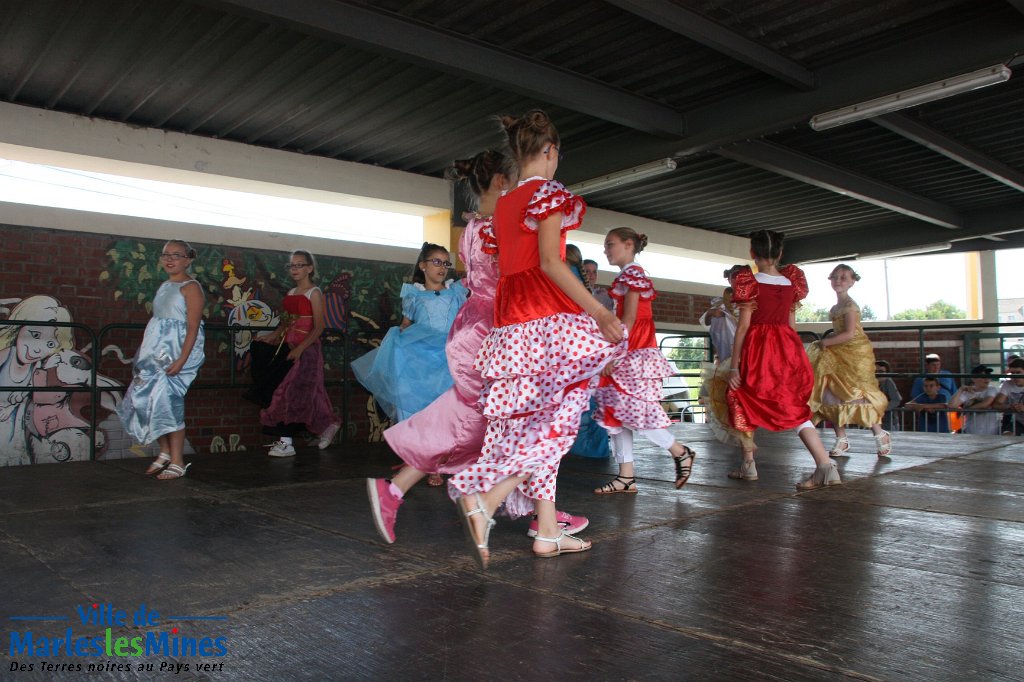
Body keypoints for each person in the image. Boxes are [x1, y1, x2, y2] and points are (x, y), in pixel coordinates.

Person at [367, 149, 588, 543]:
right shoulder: (497, 226)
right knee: (496, 421)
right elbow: (523, 276)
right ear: (503, 182)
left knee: (514, 422)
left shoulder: (473, 227)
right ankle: (398, 487)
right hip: (498, 324)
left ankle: (545, 516)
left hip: (477, 321)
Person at [448, 110, 625, 569]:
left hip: (513, 326)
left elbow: (511, 267)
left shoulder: (503, 204)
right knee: (555, 427)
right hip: (549, 319)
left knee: (534, 424)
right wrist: (601, 310)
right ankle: (487, 499)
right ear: (550, 152)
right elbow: (550, 261)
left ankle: (547, 532)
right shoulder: (548, 194)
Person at [726, 230, 840, 490]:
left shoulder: (749, 282)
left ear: (752, 253)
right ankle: (824, 465)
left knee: (739, 396)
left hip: (759, 349)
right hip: (788, 347)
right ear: (779, 254)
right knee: (793, 405)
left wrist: (734, 365)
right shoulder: (792, 283)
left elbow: (743, 328)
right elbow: (790, 323)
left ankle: (749, 463)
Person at [592, 227, 697, 494]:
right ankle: (626, 475)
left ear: (629, 245)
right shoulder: (627, 275)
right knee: (615, 411)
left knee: (636, 412)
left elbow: (629, 319)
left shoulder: (633, 274)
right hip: (630, 348)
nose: (606, 250)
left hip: (633, 350)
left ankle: (679, 451)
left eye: (610, 244)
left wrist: (616, 353)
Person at [117, 240, 205, 480]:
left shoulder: (191, 287)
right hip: (153, 353)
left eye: (176, 255)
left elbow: (193, 326)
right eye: (165, 255)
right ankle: (165, 451)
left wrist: (182, 359)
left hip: (174, 354)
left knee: (169, 403)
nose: (169, 259)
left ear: (187, 260)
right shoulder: (165, 285)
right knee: (144, 400)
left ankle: (177, 460)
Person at [351, 243, 468, 424]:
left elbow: (464, 319)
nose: (442, 267)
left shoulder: (455, 292)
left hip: (450, 353)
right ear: (423, 266)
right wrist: (401, 337)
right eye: (437, 262)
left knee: (449, 401)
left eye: (446, 263)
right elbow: (406, 323)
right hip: (423, 355)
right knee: (418, 395)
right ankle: (417, 436)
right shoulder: (415, 295)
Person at [257, 250, 342, 457]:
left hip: (306, 349)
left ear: (309, 268)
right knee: (305, 392)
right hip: (288, 345)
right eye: (292, 266)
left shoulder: (314, 293)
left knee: (290, 391)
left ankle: (286, 441)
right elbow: (286, 322)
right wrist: (273, 336)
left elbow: (319, 327)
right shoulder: (291, 292)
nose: (295, 269)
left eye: (299, 265)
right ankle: (329, 424)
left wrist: (300, 348)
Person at [806, 264, 892, 458]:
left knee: (859, 391)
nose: (838, 280)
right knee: (831, 390)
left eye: (843, 277)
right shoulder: (836, 307)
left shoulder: (850, 306)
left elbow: (849, 333)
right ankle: (841, 438)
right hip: (838, 352)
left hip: (854, 353)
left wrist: (825, 342)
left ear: (852, 281)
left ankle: (880, 434)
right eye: (835, 277)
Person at [948, 365, 1000, 435]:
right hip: (971, 432)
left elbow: (986, 403)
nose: (987, 379)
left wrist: (966, 409)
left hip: (991, 433)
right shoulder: (967, 393)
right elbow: (951, 405)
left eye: (988, 376)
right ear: (974, 378)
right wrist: (961, 389)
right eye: (983, 377)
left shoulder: (992, 389)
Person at [699, 284, 738, 362]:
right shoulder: (720, 307)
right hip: (724, 342)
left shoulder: (743, 307)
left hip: (738, 342)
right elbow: (708, 323)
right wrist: (710, 313)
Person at [993, 358, 1024, 435]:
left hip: (1018, 421)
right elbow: (996, 405)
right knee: (1006, 436)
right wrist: (1009, 406)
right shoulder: (1007, 384)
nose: (1015, 376)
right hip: (1018, 422)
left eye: (1018, 373)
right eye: (1013, 373)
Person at [875, 360, 903, 432]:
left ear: (887, 373)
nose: (878, 374)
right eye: (875, 371)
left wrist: (881, 409)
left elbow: (896, 400)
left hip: (889, 421)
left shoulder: (888, 382)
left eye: (881, 372)